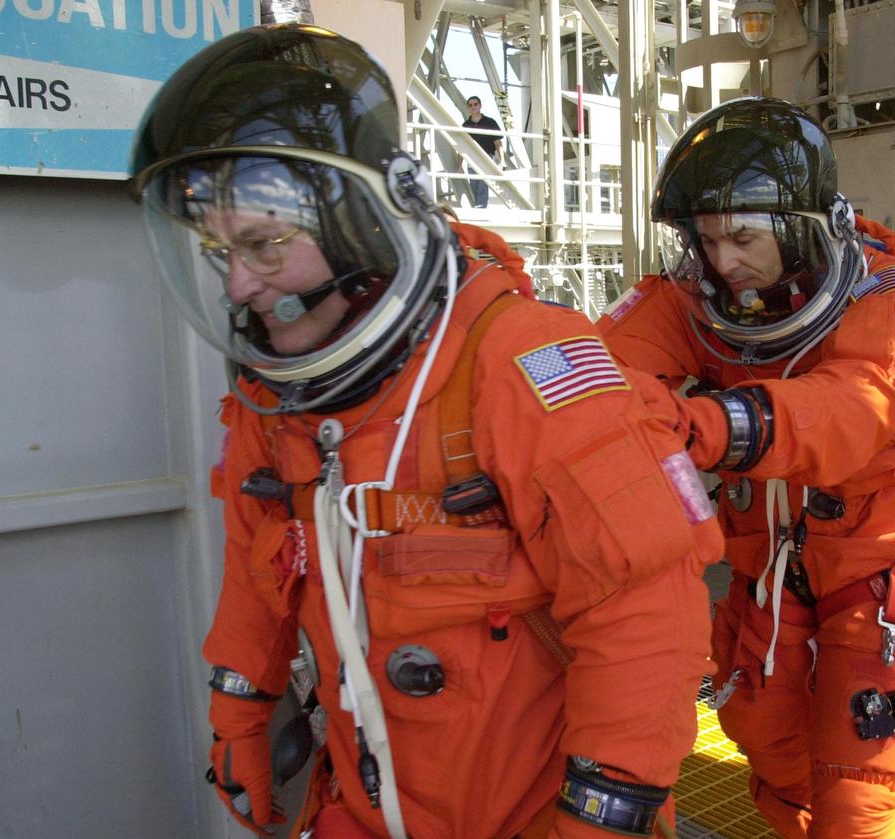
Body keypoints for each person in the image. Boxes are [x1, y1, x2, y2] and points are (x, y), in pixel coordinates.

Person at [129, 25, 726, 838]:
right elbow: (258, 564)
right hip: (363, 802)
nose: (239, 285)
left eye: (264, 245)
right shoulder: (278, 404)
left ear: (359, 220)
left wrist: (602, 816)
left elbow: (646, 613)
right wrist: (239, 711)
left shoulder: (519, 364)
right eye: (219, 252)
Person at [598, 96, 895, 838]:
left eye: (742, 237)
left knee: (859, 793)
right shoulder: (697, 300)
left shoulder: (889, 295)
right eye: (706, 239)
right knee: (769, 748)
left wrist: (711, 423)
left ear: (801, 230)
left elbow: (850, 408)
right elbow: (603, 372)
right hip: (769, 569)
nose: (724, 262)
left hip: (882, 568)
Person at [462, 96, 502, 208]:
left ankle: (480, 209)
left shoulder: (490, 122)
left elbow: (498, 142)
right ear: (468, 108)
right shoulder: (465, 125)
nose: (473, 107)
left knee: (483, 187)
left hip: (487, 157)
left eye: (475, 104)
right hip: (471, 159)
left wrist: (502, 160)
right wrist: (459, 165)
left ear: (480, 106)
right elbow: (462, 146)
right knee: (474, 186)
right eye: (470, 105)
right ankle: (477, 208)